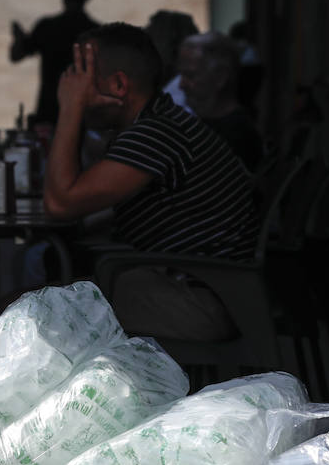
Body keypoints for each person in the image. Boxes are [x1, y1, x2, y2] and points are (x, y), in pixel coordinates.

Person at [44, 22, 259, 341]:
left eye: (80, 78)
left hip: (197, 301)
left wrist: (70, 108)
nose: (70, 85)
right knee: (35, 303)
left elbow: (61, 203)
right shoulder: (157, 123)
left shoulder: (157, 132)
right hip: (189, 288)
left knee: (25, 313)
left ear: (118, 84)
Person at [9, 0, 99, 132]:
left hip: (49, 113)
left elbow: (16, 55)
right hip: (84, 115)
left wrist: (19, 39)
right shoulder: (96, 32)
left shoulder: (48, 27)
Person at [176, 31, 264, 171]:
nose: (181, 85)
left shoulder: (234, 137)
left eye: (190, 75)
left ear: (221, 77)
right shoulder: (202, 128)